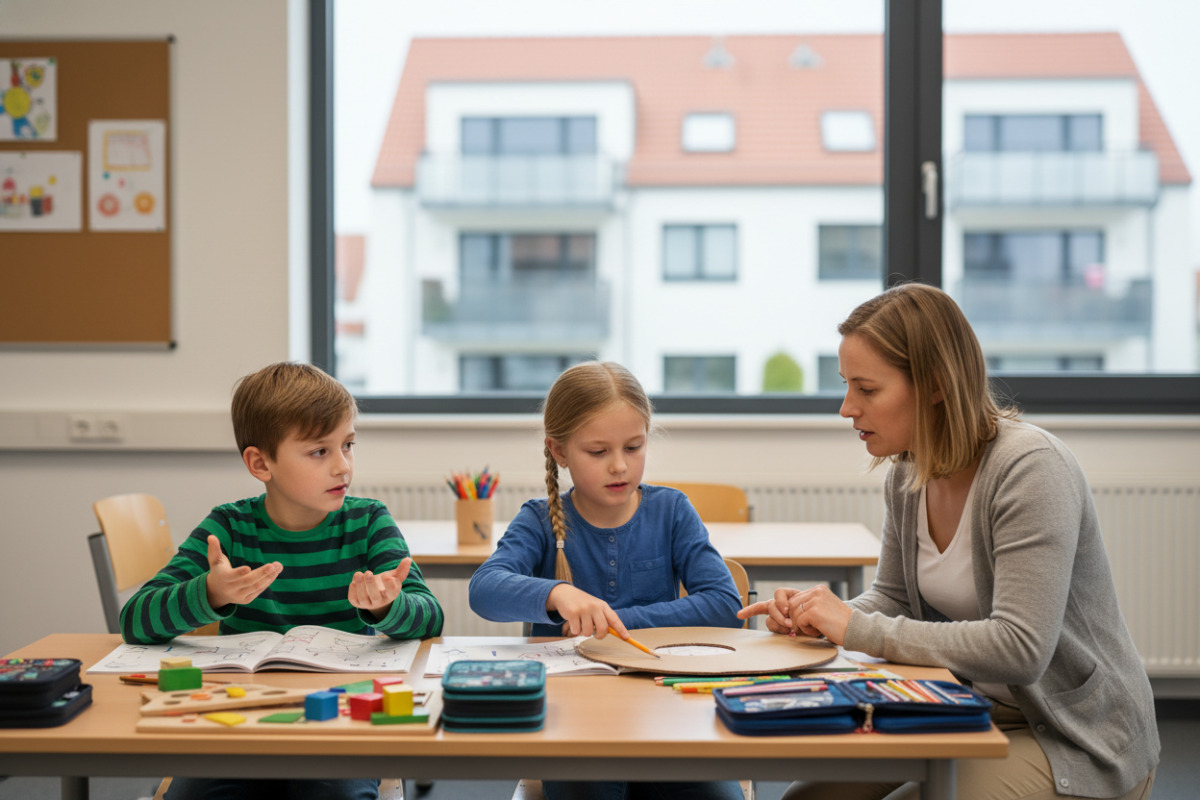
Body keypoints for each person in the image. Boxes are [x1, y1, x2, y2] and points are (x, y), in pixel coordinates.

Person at [738, 283, 1158, 800]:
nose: (847, 408)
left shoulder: (1030, 469)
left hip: (1074, 735)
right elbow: (891, 599)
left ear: (936, 385)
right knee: (809, 799)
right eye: (848, 386)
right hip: (961, 705)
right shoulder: (908, 471)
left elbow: (1021, 649)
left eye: (867, 390)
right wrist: (821, 616)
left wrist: (854, 627)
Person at [121, 362, 444, 800]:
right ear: (260, 463)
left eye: (347, 445)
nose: (342, 466)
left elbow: (430, 618)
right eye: (319, 452)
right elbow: (135, 621)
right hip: (239, 714)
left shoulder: (368, 521)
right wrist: (210, 594)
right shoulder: (230, 527)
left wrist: (388, 607)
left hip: (341, 715)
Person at [468, 360, 744, 800]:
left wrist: (620, 621)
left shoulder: (671, 511)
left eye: (633, 447)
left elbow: (725, 605)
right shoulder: (539, 520)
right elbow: (484, 589)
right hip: (573, 716)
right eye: (598, 453)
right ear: (559, 451)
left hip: (666, 707)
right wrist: (557, 592)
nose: (619, 466)